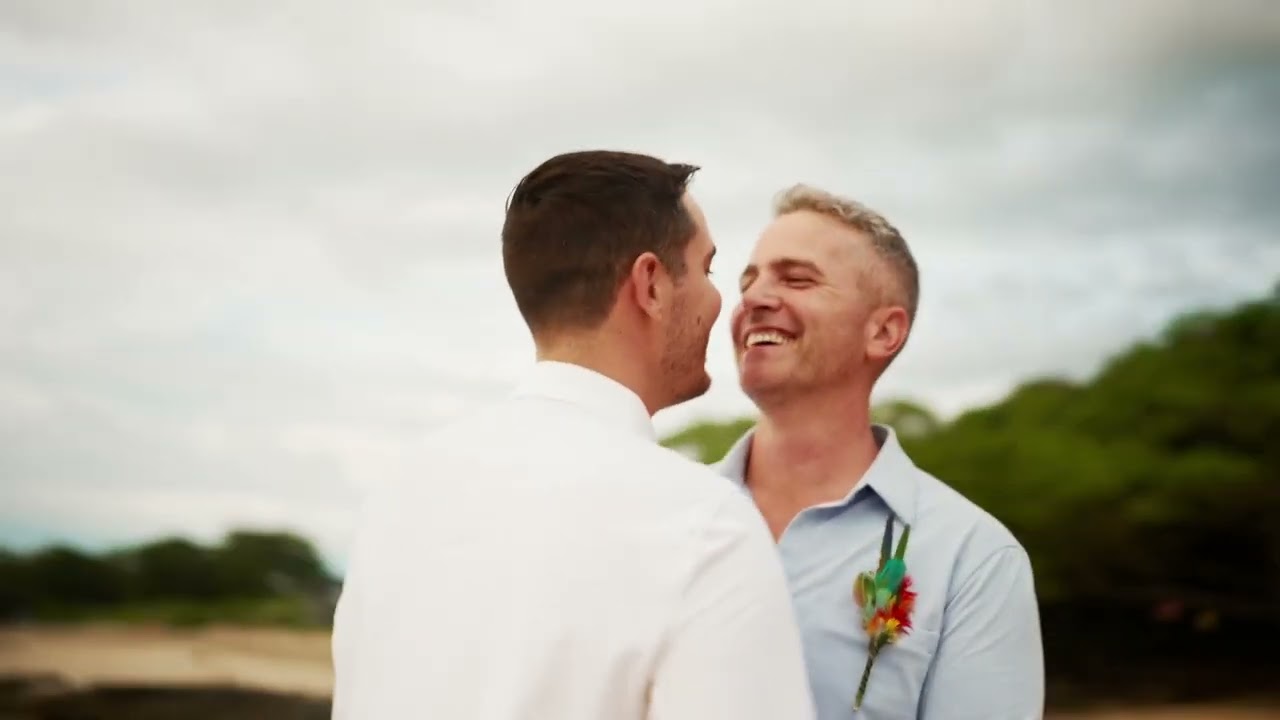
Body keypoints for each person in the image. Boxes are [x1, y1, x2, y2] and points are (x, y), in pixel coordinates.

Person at [330, 151, 816, 720]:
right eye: (707, 269)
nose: (721, 301)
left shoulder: (397, 497)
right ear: (651, 285)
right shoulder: (704, 526)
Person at [716, 184, 1045, 719]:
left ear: (884, 331)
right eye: (748, 281)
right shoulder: (662, 516)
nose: (752, 299)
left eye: (796, 279)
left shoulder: (974, 559)